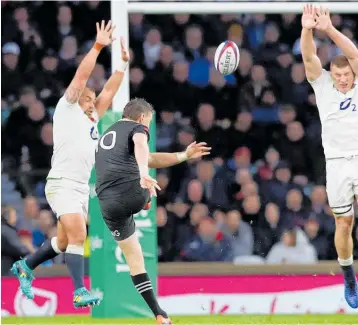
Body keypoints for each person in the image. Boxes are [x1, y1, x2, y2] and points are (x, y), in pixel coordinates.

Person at [12, 20, 130, 308]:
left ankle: (25, 266)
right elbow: (81, 77)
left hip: (78, 188)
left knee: (64, 242)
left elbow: (110, 93)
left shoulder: (91, 120)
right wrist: (99, 46)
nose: (92, 102)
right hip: (62, 183)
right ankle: (79, 291)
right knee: (80, 234)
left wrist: (123, 66)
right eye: (88, 98)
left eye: (92, 99)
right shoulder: (66, 110)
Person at [300, 5, 358, 308]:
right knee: (343, 225)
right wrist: (307, 29)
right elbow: (309, 58)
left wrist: (328, 29)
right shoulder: (323, 84)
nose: (341, 79)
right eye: (337, 74)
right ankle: (349, 277)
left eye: (345, 74)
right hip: (337, 165)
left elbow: (354, 55)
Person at [95, 97, 211, 324]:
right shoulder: (138, 129)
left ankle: (159, 313)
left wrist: (184, 155)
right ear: (141, 118)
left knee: (135, 260)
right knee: (148, 192)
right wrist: (143, 173)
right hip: (132, 192)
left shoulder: (108, 133)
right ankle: (145, 200)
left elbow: (149, 157)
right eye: (147, 122)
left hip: (107, 205)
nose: (147, 127)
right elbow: (140, 146)